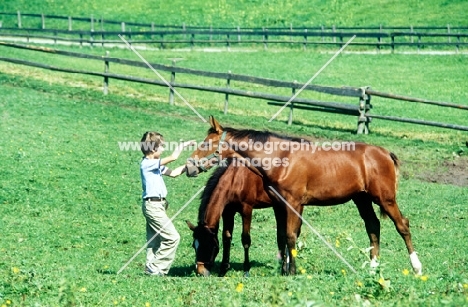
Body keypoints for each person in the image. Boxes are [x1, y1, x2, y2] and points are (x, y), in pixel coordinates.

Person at [140, 131, 195, 276]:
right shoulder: (147, 164)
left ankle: (151, 269)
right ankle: (157, 268)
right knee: (173, 237)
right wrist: (183, 145)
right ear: (153, 149)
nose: (163, 149)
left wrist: (187, 166)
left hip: (157, 206)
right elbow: (173, 157)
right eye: (161, 146)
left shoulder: (154, 166)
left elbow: (174, 173)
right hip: (153, 206)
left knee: (155, 239)